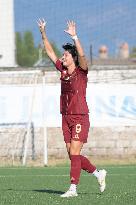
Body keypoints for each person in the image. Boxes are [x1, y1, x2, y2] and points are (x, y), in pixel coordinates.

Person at [37, 19, 107, 198]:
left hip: (80, 117)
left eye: (66, 55)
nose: (62, 57)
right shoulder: (62, 70)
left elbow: (83, 57)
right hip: (65, 117)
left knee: (75, 152)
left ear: (73, 58)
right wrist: (43, 33)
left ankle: (73, 188)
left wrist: (75, 36)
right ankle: (98, 174)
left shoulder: (81, 71)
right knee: (72, 155)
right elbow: (50, 52)